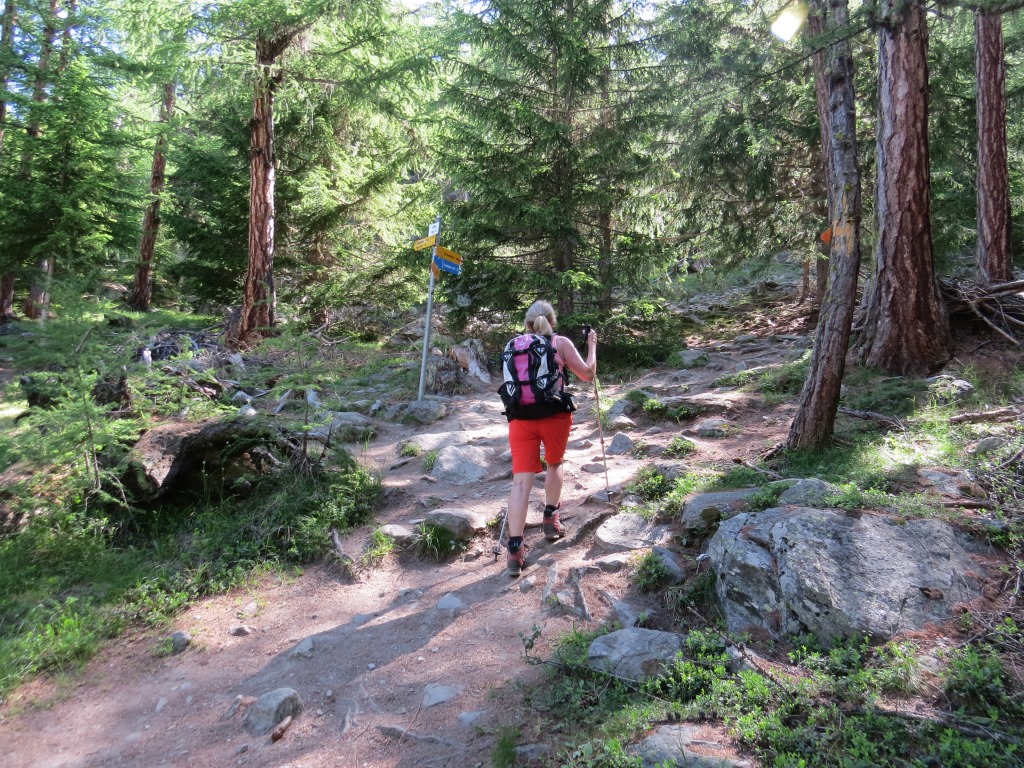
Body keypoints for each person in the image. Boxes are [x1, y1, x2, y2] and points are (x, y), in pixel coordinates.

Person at [505, 300, 598, 576]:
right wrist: (592, 345)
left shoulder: (514, 346)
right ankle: (550, 519)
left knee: (521, 482)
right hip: (554, 416)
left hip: (520, 419)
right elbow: (588, 374)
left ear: (527, 323)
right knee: (555, 463)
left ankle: (514, 549)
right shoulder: (561, 343)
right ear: (553, 321)